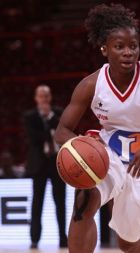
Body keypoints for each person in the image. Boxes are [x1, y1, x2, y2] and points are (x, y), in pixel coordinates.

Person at [54, 4, 140, 253]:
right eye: (120, 47)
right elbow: (61, 131)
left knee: (128, 241)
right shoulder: (90, 85)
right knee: (85, 198)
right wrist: (82, 148)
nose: (128, 52)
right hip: (109, 154)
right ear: (105, 49)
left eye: (133, 46)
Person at [24, 85, 67, 249]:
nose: (44, 99)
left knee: (60, 202)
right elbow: (33, 138)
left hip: (57, 163)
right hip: (39, 165)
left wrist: (50, 118)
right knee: (37, 202)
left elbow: (62, 134)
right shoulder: (30, 116)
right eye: (41, 96)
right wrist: (49, 122)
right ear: (36, 98)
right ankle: (34, 238)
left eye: (46, 96)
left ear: (50, 97)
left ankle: (63, 238)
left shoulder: (59, 113)